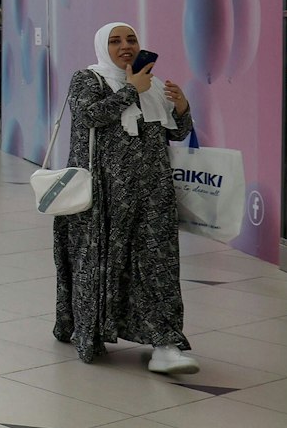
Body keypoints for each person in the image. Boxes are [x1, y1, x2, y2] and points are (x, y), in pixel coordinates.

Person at [52, 22, 198, 374]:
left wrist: (181, 106)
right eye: (115, 41)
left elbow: (176, 132)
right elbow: (89, 116)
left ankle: (164, 344)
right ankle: (91, 330)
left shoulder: (153, 83)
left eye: (131, 39)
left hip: (153, 195)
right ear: (104, 46)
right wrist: (131, 90)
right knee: (103, 266)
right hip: (104, 199)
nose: (125, 46)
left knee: (157, 266)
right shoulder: (88, 79)